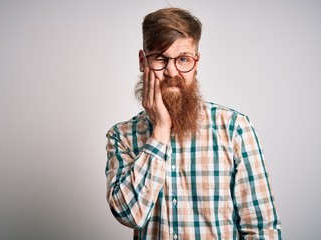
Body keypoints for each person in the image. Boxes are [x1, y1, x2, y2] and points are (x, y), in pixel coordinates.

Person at [105, 7, 282, 239]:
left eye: (183, 59)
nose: (172, 71)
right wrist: (159, 131)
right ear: (142, 61)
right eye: (160, 58)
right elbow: (129, 215)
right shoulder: (121, 135)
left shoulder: (234, 128)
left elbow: (262, 230)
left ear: (196, 63)